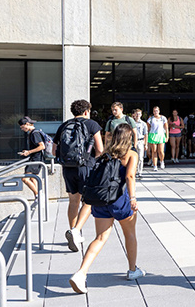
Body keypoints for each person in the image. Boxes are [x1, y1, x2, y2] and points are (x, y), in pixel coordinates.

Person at [69, 124, 144, 294]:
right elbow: (130, 176)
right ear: (129, 138)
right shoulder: (131, 154)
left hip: (101, 200)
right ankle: (133, 270)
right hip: (120, 200)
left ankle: (81, 273)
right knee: (130, 234)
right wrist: (133, 198)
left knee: (100, 238)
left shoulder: (104, 154)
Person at [54, 99, 104, 253]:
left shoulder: (64, 125)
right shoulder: (92, 124)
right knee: (88, 201)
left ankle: (73, 230)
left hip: (68, 168)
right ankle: (76, 231)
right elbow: (100, 149)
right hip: (86, 166)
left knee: (73, 201)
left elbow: (53, 150)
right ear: (86, 111)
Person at [17, 116, 45, 196]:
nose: (22, 129)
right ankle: (38, 195)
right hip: (37, 158)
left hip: (36, 159)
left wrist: (29, 152)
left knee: (25, 178)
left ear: (27, 124)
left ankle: (38, 195)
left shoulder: (34, 133)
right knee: (33, 178)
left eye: (22, 127)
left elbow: (42, 146)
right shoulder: (33, 133)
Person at [146, 107, 168, 171]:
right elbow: (147, 128)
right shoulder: (151, 119)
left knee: (161, 151)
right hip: (153, 135)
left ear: (159, 111)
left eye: (157, 111)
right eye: (154, 111)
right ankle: (155, 165)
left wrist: (167, 136)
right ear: (153, 112)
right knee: (154, 151)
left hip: (161, 135)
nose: (156, 112)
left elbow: (166, 128)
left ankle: (161, 161)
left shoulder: (163, 118)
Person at [132, 109, 148, 179]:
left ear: (141, 115)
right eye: (136, 114)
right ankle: (134, 171)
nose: (138, 115)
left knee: (140, 158)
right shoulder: (131, 123)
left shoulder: (143, 124)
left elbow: (146, 134)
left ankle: (140, 172)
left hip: (140, 141)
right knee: (133, 158)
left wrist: (146, 144)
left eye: (139, 114)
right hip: (132, 142)